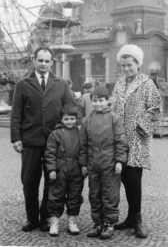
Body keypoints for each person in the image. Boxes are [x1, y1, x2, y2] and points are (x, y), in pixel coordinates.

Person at [10, 46, 77, 232]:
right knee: (29, 180)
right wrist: (16, 137)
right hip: (30, 140)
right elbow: (16, 113)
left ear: (52, 62)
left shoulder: (61, 83)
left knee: (52, 180)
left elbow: (70, 108)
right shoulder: (23, 84)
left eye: (47, 61)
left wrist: (67, 134)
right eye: (40, 60)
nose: (43, 64)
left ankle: (47, 217)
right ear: (34, 60)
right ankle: (32, 218)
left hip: (54, 141)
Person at [111, 44, 162, 238]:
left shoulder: (147, 83)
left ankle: (137, 219)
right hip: (120, 140)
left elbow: (156, 108)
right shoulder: (119, 84)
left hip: (137, 140)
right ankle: (131, 217)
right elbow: (113, 107)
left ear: (138, 63)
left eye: (129, 65)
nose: (126, 69)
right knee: (124, 178)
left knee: (134, 180)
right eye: (123, 65)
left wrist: (140, 127)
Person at [80, 86, 128, 240]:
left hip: (110, 162)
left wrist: (120, 160)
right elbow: (83, 145)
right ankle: (98, 222)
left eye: (101, 100)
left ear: (108, 101)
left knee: (109, 194)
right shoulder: (86, 120)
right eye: (95, 101)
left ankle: (109, 223)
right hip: (93, 162)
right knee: (94, 194)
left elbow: (121, 141)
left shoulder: (114, 118)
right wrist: (83, 164)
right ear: (91, 101)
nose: (98, 104)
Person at [45, 104, 84, 237]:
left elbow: (84, 150)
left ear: (76, 119)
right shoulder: (55, 134)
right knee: (56, 195)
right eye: (66, 119)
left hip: (76, 168)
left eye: (72, 119)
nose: (69, 122)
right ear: (61, 119)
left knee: (74, 195)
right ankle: (54, 222)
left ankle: (72, 221)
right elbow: (50, 153)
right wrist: (51, 169)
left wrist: (84, 166)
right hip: (60, 168)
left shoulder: (80, 133)